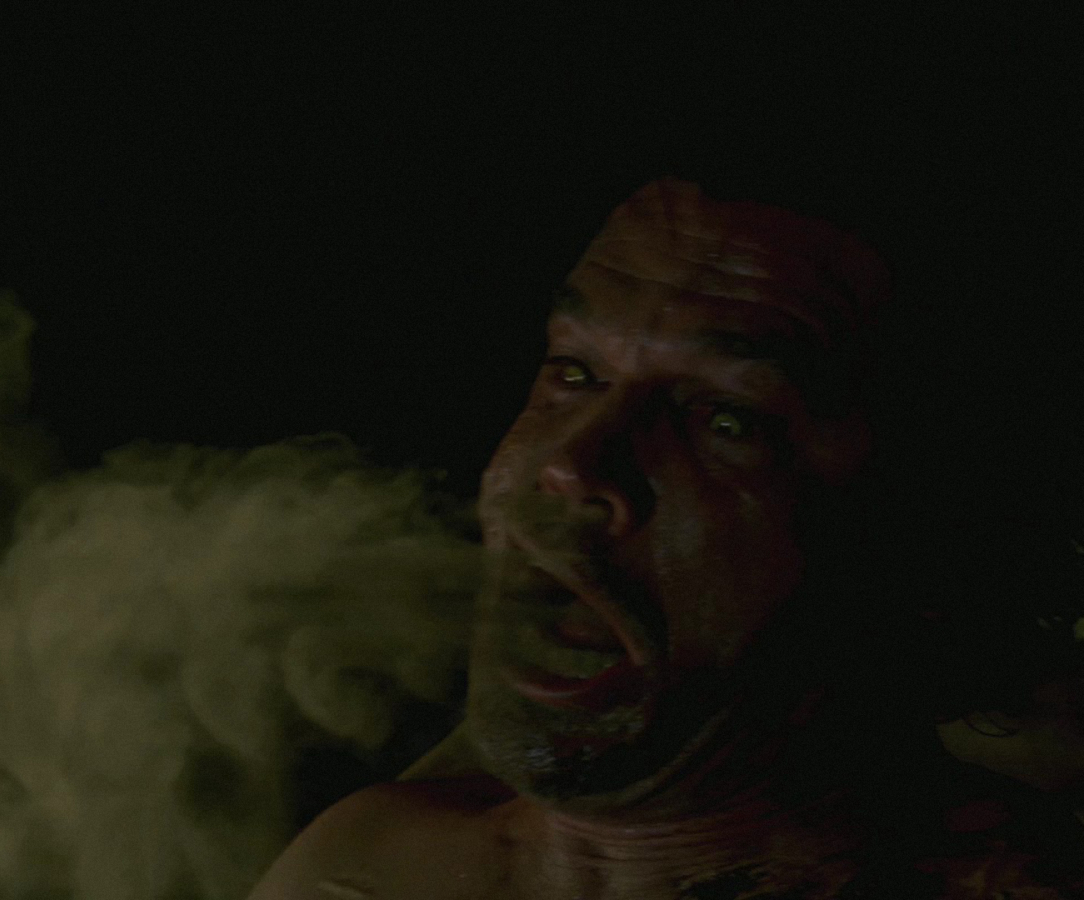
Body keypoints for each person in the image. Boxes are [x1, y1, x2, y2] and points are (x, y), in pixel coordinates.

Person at [247, 178, 1084, 899]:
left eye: (727, 419)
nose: (571, 464)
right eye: (575, 373)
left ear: (917, 546)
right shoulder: (368, 860)